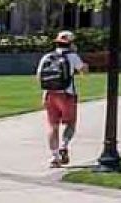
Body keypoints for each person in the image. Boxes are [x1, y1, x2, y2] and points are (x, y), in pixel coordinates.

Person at [37, 30, 90, 168]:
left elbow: (39, 77)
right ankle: (64, 145)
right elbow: (83, 72)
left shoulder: (47, 57)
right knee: (70, 124)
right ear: (71, 43)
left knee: (52, 126)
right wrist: (85, 66)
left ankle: (54, 157)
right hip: (67, 94)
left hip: (50, 95)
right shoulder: (73, 56)